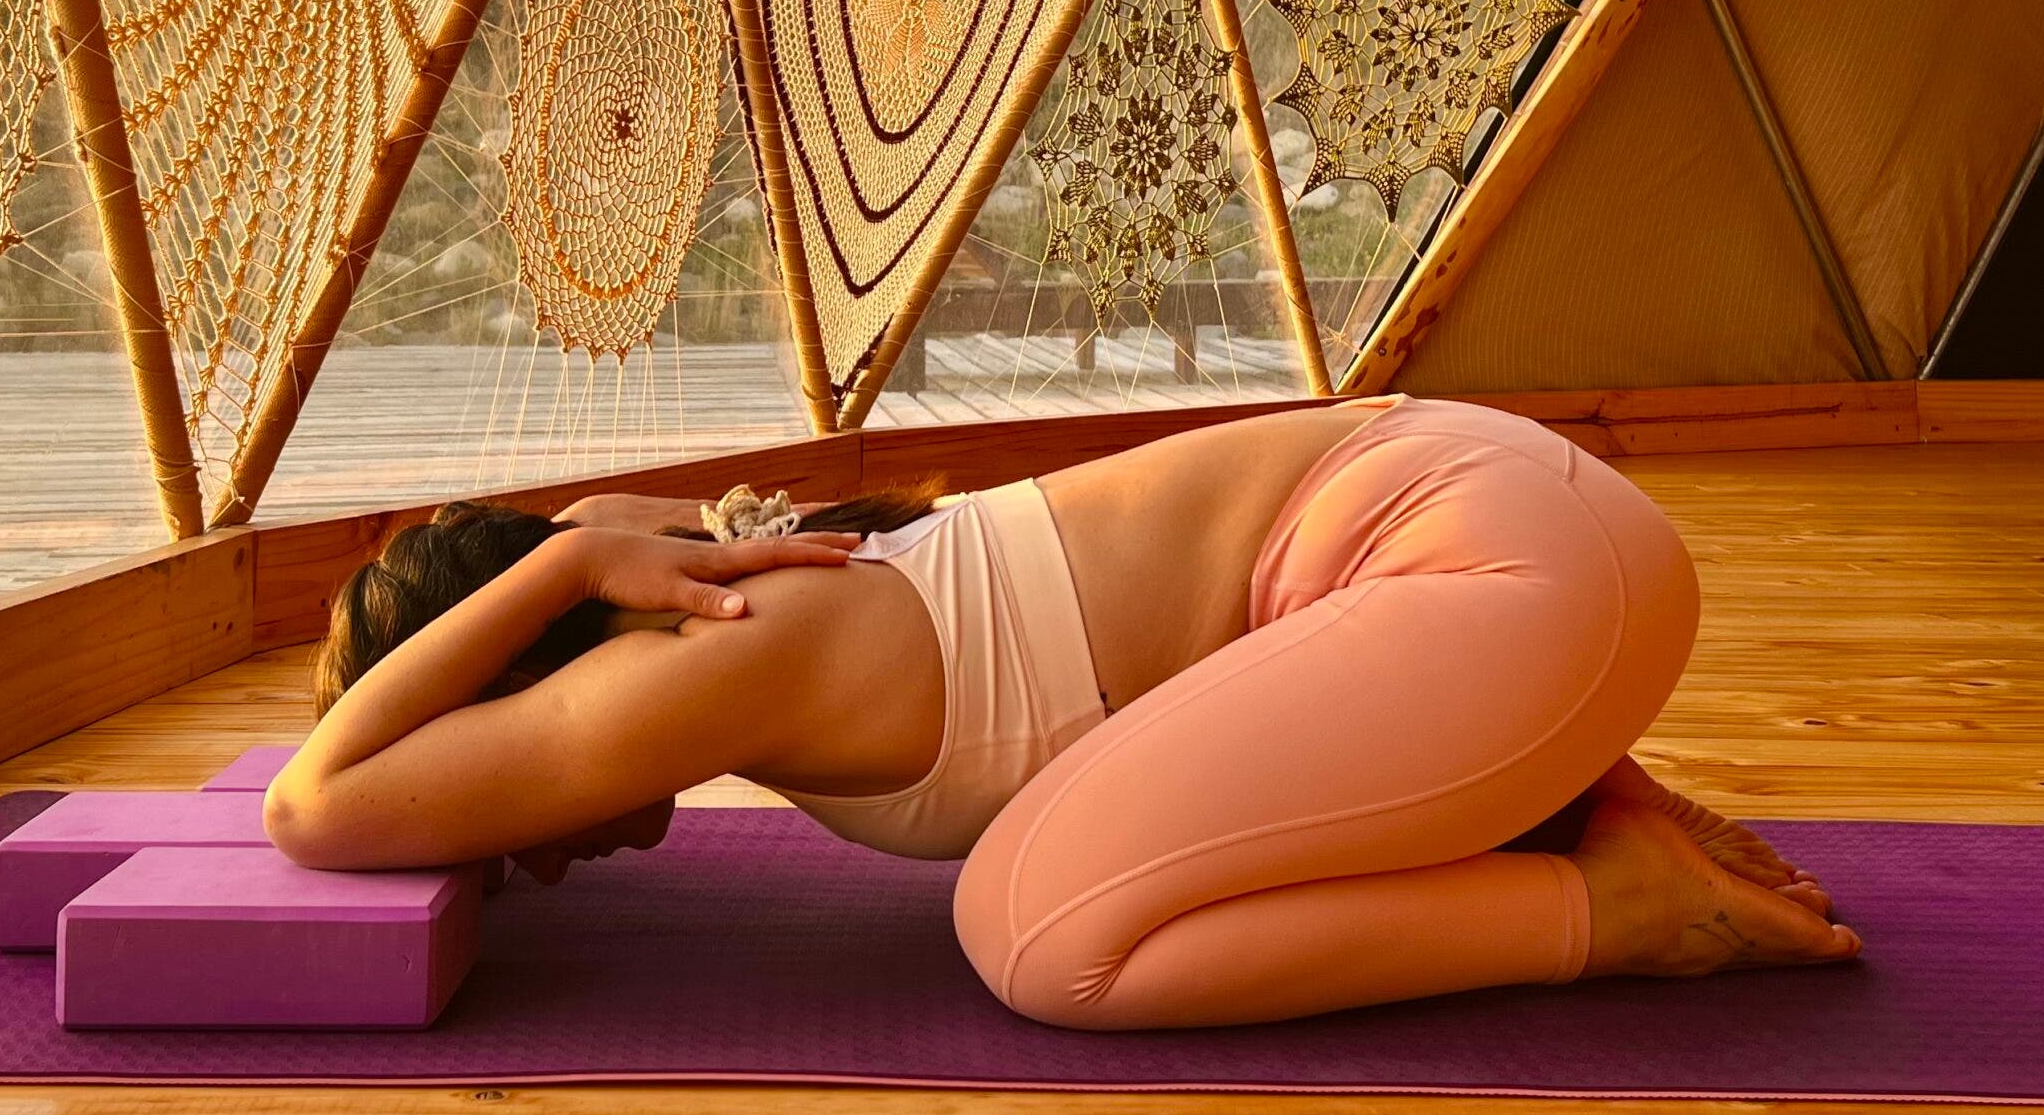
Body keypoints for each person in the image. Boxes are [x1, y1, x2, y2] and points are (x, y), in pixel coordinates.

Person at [268, 395, 1861, 1029]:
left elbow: (319, 806)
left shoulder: (689, 645)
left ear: (539, 667)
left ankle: (1604, 906)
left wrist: (563, 573)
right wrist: (573, 556)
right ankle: (1582, 790)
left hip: (1493, 565)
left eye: (496, 826)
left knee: (1040, 936)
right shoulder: (701, 557)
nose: (527, 855)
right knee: (1098, 857)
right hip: (1499, 534)